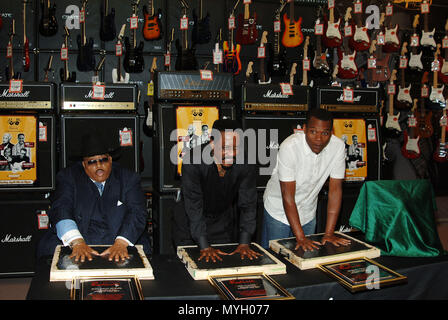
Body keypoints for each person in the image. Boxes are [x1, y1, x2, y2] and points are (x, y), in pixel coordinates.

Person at [37, 131, 150, 262]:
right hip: (79, 236)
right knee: (50, 251)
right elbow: (61, 208)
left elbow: (137, 212)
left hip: (120, 237)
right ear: (83, 164)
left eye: (103, 160)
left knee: (142, 252)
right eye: (92, 162)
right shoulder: (68, 177)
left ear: (111, 160)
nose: (99, 166)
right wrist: (77, 242)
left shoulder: (129, 178)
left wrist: (121, 243)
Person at [261, 108, 351, 251]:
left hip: (308, 212)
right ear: (304, 129)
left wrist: (328, 234)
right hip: (278, 211)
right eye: (313, 131)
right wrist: (301, 238)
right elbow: (288, 196)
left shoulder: (338, 147)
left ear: (331, 133)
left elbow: (335, 191)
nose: (318, 139)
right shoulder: (289, 147)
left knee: (305, 262)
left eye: (325, 133)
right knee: (274, 259)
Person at [172, 119, 260, 262]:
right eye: (224, 147)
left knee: (223, 265)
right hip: (189, 222)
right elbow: (194, 206)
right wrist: (204, 246)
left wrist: (244, 242)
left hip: (221, 220)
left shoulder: (246, 162)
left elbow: (248, 204)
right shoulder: (193, 160)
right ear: (212, 142)